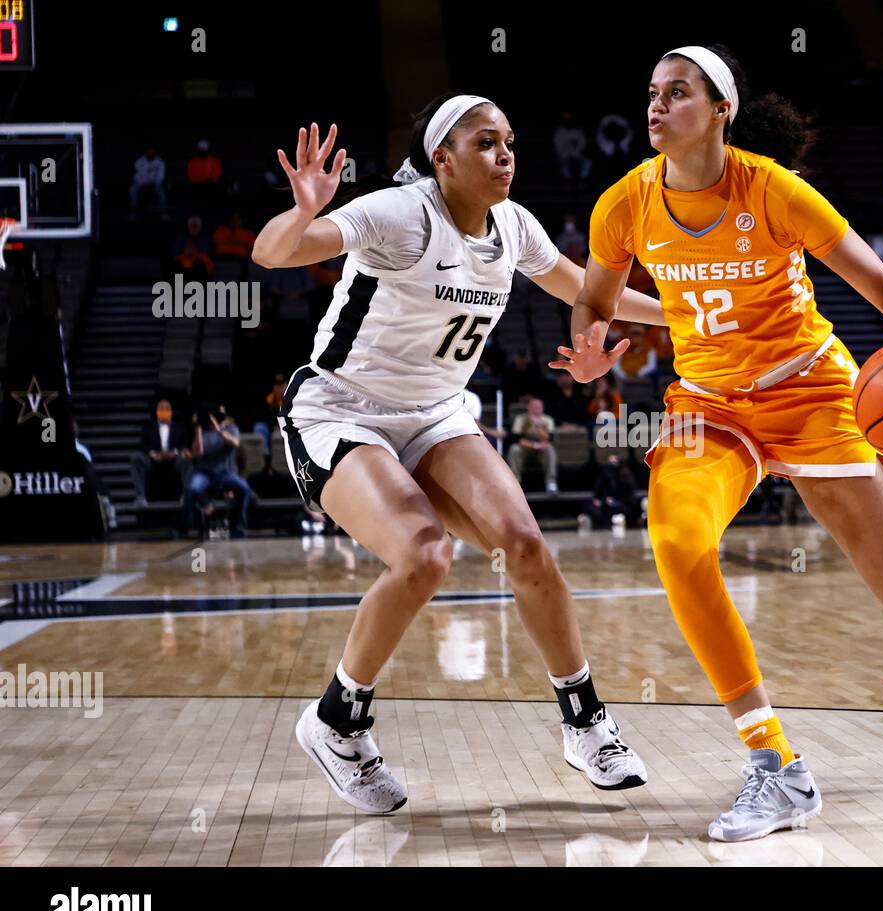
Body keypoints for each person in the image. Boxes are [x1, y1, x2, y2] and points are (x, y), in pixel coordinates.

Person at [554, 44, 883, 843]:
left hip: (813, 392)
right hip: (709, 404)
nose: (657, 104)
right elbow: (595, 300)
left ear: (721, 110)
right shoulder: (624, 204)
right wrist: (592, 348)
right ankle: (776, 766)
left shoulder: (774, 190)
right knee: (676, 540)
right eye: (652, 92)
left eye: (677, 93)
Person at [250, 98, 669, 813]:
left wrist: (684, 313)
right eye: (485, 142)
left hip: (435, 415)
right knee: (425, 554)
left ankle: (585, 721)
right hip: (341, 409)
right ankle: (336, 722)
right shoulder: (399, 213)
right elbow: (273, 252)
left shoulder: (513, 226)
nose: (505, 153)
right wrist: (304, 210)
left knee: (527, 546)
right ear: (442, 156)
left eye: (510, 140)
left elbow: (580, 285)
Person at [183, 405, 253, 537]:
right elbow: (198, 453)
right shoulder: (200, 431)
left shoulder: (230, 428)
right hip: (204, 473)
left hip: (223, 472)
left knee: (244, 488)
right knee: (192, 489)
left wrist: (219, 431)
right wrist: (198, 427)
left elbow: (235, 443)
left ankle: (239, 524)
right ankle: (186, 525)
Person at [130, 398, 191, 505]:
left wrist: (175, 453)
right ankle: (140, 497)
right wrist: (153, 454)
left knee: (187, 458)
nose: (164, 410)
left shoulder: (179, 427)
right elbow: (143, 445)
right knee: (136, 458)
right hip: (154, 461)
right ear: (157, 411)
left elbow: (184, 445)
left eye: (167, 408)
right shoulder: (148, 427)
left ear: (171, 411)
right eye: (161, 408)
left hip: (174, 461)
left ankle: (186, 496)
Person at [508, 396, 559, 493]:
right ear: (529, 408)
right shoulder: (521, 419)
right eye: (534, 406)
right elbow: (516, 439)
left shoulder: (548, 420)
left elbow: (550, 439)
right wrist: (534, 445)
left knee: (550, 449)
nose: (536, 409)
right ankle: (516, 483)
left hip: (541, 451)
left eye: (538, 407)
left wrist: (538, 426)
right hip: (525, 449)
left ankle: (551, 483)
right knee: (514, 449)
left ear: (542, 408)